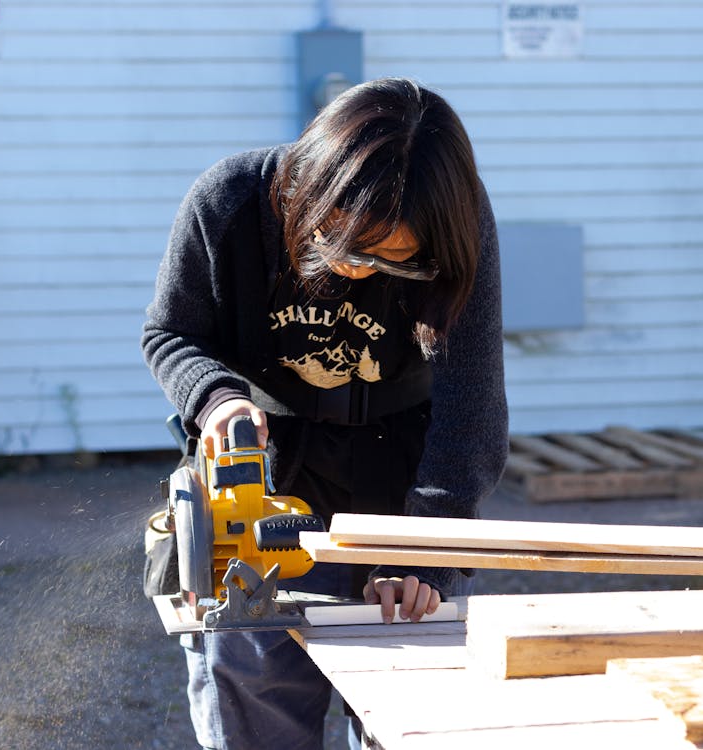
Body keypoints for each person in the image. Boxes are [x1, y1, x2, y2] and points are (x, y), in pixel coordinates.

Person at [142, 77, 508, 750]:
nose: (366, 272)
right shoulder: (230, 199)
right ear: (314, 190)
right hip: (258, 491)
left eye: (396, 259)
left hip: (401, 491)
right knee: (255, 708)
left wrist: (424, 553)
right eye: (352, 245)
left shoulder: (454, 219)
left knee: (410, 717)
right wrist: (218, 399)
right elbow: (171, 334)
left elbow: (470, 409)